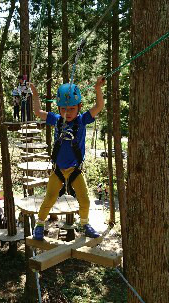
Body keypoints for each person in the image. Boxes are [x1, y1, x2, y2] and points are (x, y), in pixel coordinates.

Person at [29, 77, 106, 240]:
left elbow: (99, 106)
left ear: (79, 107)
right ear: (59, 108)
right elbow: (38, 112)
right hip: (58, 171)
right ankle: (39, 225)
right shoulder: (56, 120)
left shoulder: (82, 120)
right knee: (48, 199)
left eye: (72, 108)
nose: (67, 113)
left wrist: (98, 88)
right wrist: (35, 94)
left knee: (85, 200)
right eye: (63, 109)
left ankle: (85, 224)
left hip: (74, 171)